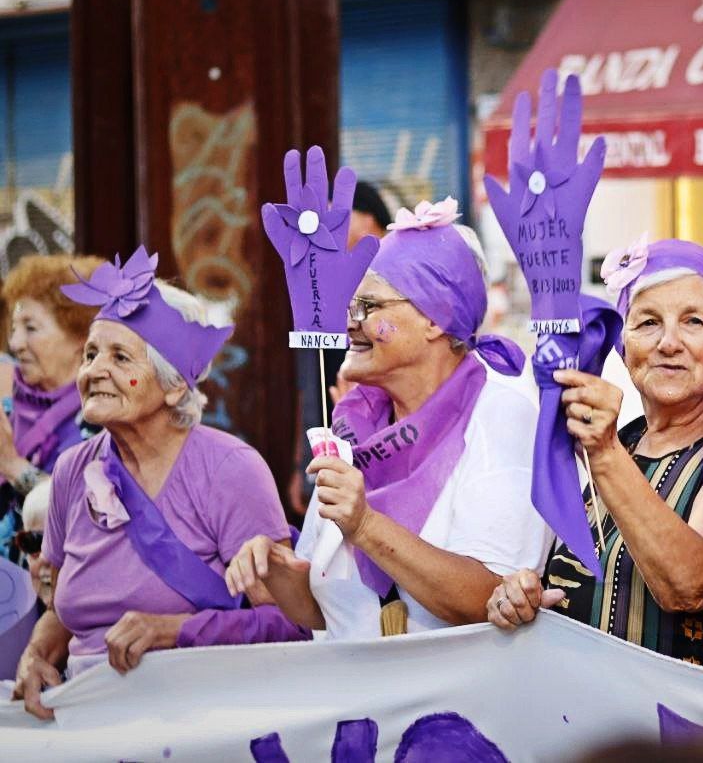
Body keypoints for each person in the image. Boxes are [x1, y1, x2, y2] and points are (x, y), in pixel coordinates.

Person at [227, 198, 553, 640]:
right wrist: (275, 572)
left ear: (436, 318)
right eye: (350, 306)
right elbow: (325, 610)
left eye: (368, 306)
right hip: (352, 683)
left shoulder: (500, 417)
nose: (350, 323)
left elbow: (487, 598)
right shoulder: (353, 424)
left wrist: (366, 525)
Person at [11, 248, 298, 718]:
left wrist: (174, 631)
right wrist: (36, 655)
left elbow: (289, 622)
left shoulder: (230, 470)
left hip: (200, 720)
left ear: (174, 385)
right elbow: (61, 612)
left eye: (120, 357)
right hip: (85, 719)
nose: (94, 371)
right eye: (90, 354)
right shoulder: (70, 471)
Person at [485, 239, 703, 674]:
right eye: (648, 323)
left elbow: (694, 585)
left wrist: (604, 453)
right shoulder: (624, 440)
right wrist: (523, 598)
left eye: (693, 321)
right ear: (624, 347)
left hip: (685, 715)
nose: (668, 342)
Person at [0, 254, 104, 558]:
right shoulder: (11, 405)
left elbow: (92, 513)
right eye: (14, 328)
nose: (16, 343)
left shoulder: (102, 418)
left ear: (80, 336)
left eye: (31, 328)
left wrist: (12, 465)